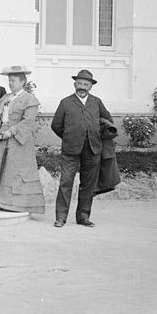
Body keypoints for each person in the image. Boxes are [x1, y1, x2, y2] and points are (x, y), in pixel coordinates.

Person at [0, 66, 44, 213]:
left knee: (14, 169)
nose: (10, 83)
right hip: (2, 135)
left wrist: (10, 132)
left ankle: (14, 203)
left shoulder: (29, 99)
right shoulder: (6, 97)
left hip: (18, 139)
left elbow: (28, 121)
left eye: (13, 81)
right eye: (9, 80)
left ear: (22, 82)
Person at [51, 69, 113, 228]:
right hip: (70, 150)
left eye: (86, 84)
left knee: (88, 184)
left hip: (92, 149)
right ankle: (61, 217)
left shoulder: (97, 102)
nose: (82, 87)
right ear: (74, 84)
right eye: (79, 83)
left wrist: (98, 135)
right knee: (66, 182)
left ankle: (83, 216)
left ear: (91, 87)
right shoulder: (65, 102)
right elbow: (56, 125)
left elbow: (108, 121)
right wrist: (69, 137)